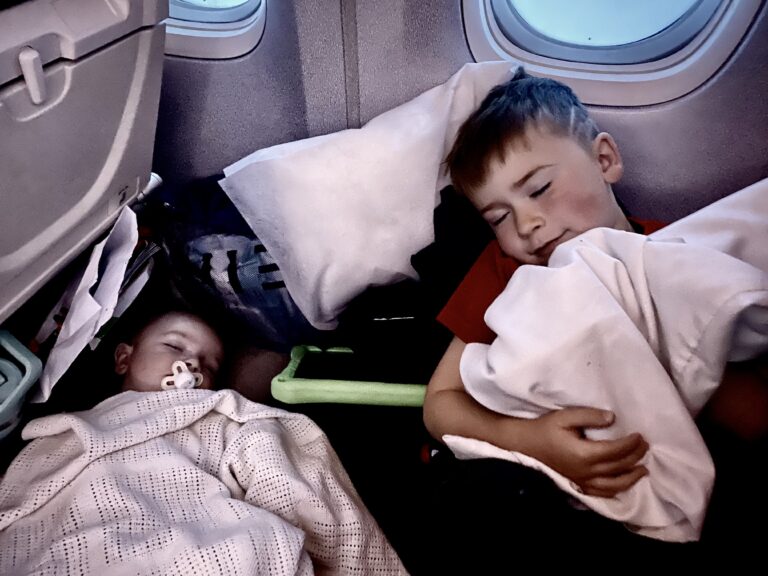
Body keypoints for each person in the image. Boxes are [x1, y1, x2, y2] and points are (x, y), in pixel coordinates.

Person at [423, 67, 656, 498]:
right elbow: (440, 402)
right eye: (499, 217)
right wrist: (528, 439)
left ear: (604, 160)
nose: (527, 224)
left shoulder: (672, 250)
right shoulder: (505, 270)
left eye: (539, 188)